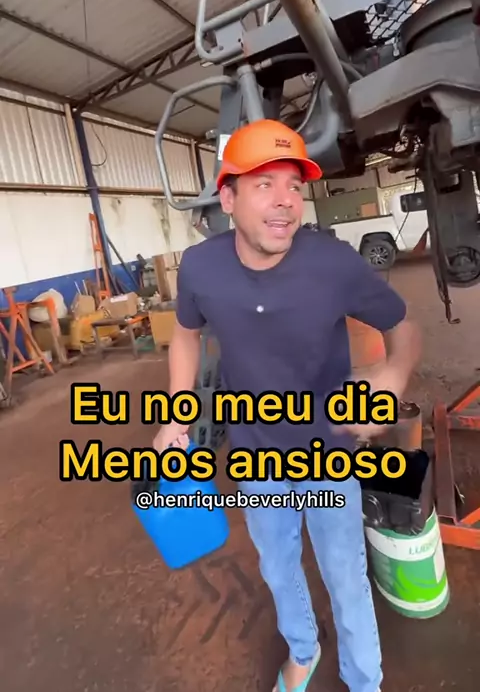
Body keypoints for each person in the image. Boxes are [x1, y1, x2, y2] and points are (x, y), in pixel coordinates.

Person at [153, 118, 422, 692]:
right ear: (228, 199)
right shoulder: (200, 268)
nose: (285, 201)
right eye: (264, 184)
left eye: (294, 186)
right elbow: (186, 335)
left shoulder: (332, 263)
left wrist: (392, 379)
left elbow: (404, 328)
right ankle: (304, 649)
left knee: (344, 574)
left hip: (329, 450)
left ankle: (364, 680)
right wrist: (177, 411)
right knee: (277, 567)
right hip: (255, 453)